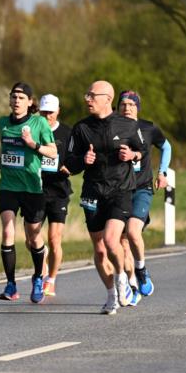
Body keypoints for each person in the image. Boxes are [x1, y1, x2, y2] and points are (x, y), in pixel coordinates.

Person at [64, 80, 146, 315]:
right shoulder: (80, 129)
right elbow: (69, 163)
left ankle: (122, 279)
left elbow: (142, 150)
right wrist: (82, 161)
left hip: (120, 190)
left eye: (92, 95)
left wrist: (132, 154)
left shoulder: (128, 125)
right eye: (86, 95)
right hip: (92, 192)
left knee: (112, 241)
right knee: (100, 250)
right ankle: (111, 296)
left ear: (107, 98)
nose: (87, 99)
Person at [0, 82, 57, 303]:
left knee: (33, 237)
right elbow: (5, 148)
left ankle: (38, 277)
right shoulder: (3, 123)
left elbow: (53, 153)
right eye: (13, 97)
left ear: (30, 102)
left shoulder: (39, 123)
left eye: (21, 97)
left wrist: (32, 144)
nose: (16, 101)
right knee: (8, 231)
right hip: (8, 186)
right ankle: (10, 285)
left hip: (32, 189)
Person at [116, 90, 172, 300]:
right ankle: (131, 284)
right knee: (121, 242)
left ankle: (141, 270)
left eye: (131, 104)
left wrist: (163, 172)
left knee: (132, 232)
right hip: (119, 190)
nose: (127, 108)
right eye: (123, 104)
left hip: (142, 188)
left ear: (137, 107)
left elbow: (166, 147)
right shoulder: (111, 127)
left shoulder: (148, 128)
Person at [35, 94, 72, 297]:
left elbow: (77, 156)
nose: (47, 115)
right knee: (32, 239)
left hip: (58, 190)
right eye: (44, 111)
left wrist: (71, 167)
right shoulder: (33, 128)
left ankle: (51, 280)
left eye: (50, 111)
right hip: (35, 189)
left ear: (58, 111)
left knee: (54, 238)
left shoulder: (67, 132)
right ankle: (43, 266)